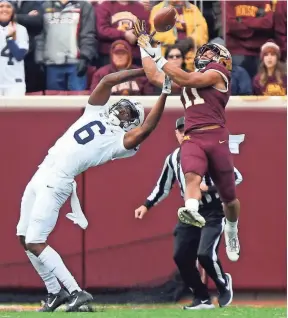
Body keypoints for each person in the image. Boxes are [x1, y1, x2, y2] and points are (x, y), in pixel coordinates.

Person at [16, 68, 172, 312]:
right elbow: (109, 80)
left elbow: (146, 130)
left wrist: (164, 92)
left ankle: (76, 292)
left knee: (36, 241)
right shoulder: (95, 111)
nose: (121, 110)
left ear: (131, 121)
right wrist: (146, 70)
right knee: (24, 237)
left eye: (128, 111)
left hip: (57, 180)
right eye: (122, 105)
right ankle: (54, 293)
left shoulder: (119, 142)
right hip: (42, 172)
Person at [133, 20, 241, 263]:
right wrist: (144, 48)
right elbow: (154, 76)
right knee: (191, 173)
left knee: (229, 198)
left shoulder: (218, 74)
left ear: (223, 59)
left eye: (214, 52)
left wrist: (157, 54)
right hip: (192, 135)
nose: (208, 55)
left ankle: (232, 229)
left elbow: (189, 80)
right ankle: (191, 210)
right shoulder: (188, 76)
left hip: (216, 135)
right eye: (206, 52)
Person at [135, 117, 243, 309]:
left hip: (213, 212)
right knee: (181, 256)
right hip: (189, 213)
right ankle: (201, 297)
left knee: (205, 254)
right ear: (176, 134)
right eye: (181, 131)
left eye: (189, 131)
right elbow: (163, 186)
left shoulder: (211, 152)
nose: (185, 135)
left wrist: (208, 187)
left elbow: (235, 176)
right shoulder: (173, 158)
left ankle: (223, 285)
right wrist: (146, 205)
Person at [0, 0, 29, 96]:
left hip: (14, 82)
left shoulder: (20, 29)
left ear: (13, 10)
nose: (4, 9)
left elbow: (19, 55)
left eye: (8, 6)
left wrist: (10, 38)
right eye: (1, 6)